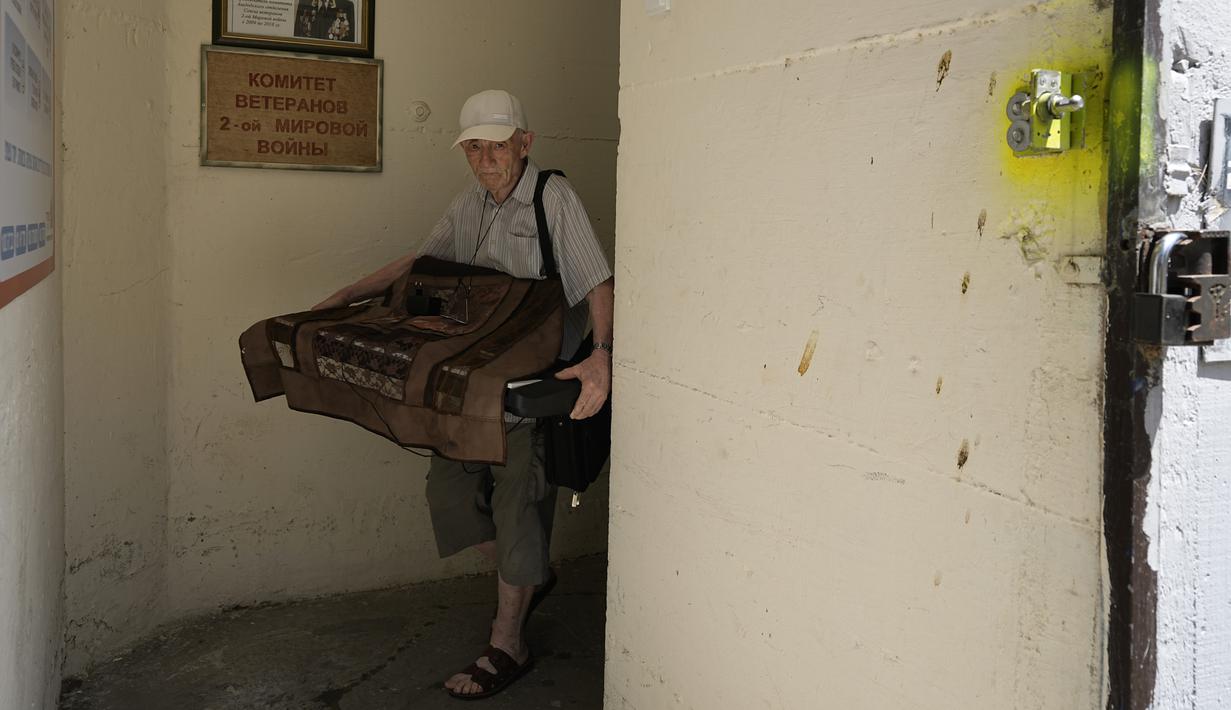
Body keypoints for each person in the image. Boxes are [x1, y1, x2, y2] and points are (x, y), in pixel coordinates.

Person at [312, 89, 614, 699]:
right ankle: (527, 574)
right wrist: (347, 295)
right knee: (448, 497)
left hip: (530, 391)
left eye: (497, 146)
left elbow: (597, 280)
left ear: (524, 144)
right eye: (474, 148)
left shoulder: (553, 197)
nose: (485, 159)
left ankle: (509, 642)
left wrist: (603, 357)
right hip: (470, 386)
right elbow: (421, 262)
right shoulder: (469, 203)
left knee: (519, 505)